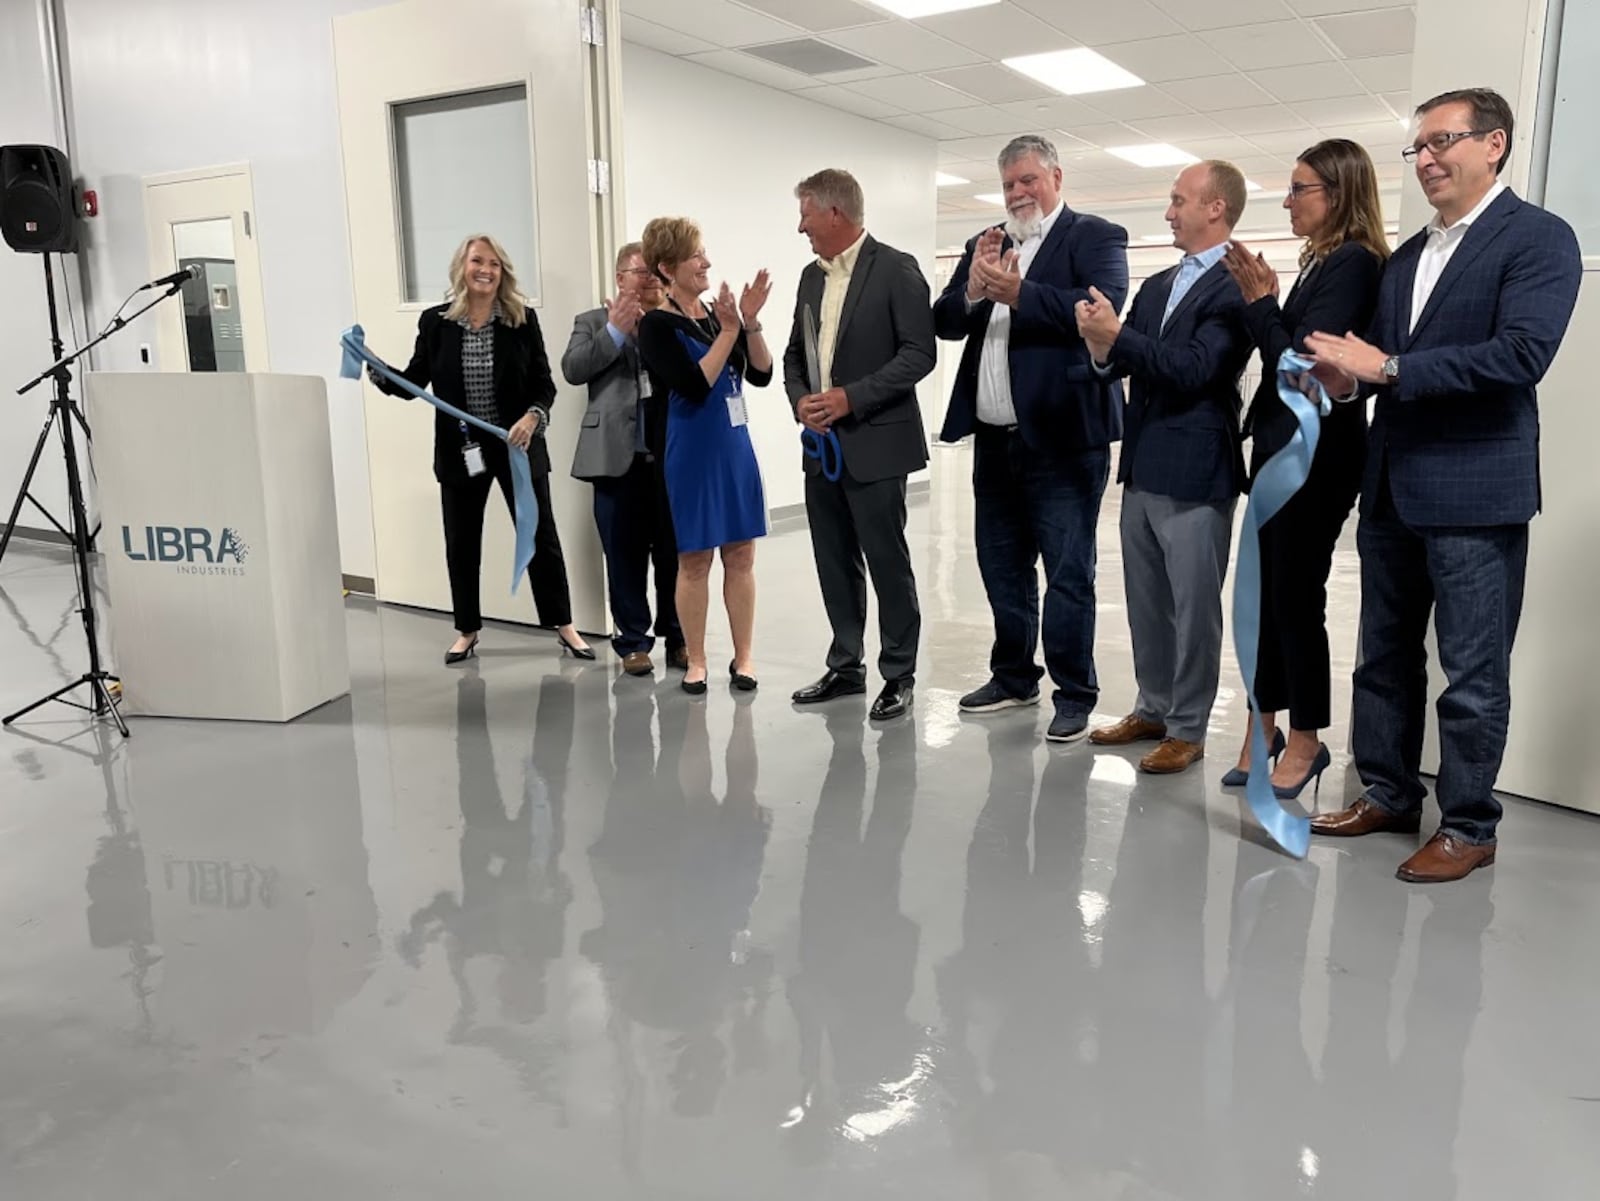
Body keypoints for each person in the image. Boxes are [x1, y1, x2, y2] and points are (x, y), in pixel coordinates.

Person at [1303, 88, 1582, 883]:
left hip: (1475, 493)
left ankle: (1469, 824)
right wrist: (1349, 380)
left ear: (1494, 145)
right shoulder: (1408, 258)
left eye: (1442, 142)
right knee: (1381, 659)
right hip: (1391, 486)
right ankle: (1388, 792)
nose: (1425, 160)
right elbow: (1383, 367)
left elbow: (1521, 356)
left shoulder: (1537, 239)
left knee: (1472, 672)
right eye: (1416, 148)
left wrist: (1385, 367)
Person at [932, 134, 1130, 744]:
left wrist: (1017, 292)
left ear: (1056, 179)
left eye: (1029, 181)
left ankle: (1075, 693)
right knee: (1001, 565)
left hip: (1065, 440)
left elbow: (1100, 306)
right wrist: (973, 284)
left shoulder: (1096, 237)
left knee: (1069, 573)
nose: (1018, 193)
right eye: (1009, 184)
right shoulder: (985, 244)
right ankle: (1014, 675)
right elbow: (943, 322)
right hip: (994, 440)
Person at [1218, 139, 1388, 796]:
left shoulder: (1354, 264)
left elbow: (1300, 368)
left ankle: (1308, 737)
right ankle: (1263, 724)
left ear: (1339, 193)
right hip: (1284, 448)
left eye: (1300, 189)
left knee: (1294, 596)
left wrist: (1264, 304)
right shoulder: (1324, 264)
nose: (1288, 201)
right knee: (1265, 594)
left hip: (1316, 454)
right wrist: (1269, 303)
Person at [1076, 160, 1253, 774]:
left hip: (1198, 470)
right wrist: (1102, 346)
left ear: (1216, 208)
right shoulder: (1159, 284)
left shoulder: (1236, 286)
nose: (1169, 212)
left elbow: (1196, 369)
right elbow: (1126, 363)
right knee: (1147, 600)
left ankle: (1187, 726)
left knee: (1193, 605)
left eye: (1179, 200)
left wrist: (1118, 336)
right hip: (1144, 465)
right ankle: (1153, 706)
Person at [371, 233, 593, 665]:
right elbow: (415, 382)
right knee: (462, 541)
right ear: (463, 266)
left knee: (540, 536)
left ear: (502, 271)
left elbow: (544, 386)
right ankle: (467, 630)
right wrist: (380, 373)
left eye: (493, 263)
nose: (485, 270)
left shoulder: (520, 319)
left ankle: (564, 626)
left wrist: (532, 418)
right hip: (462, 449)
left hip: (517, 447)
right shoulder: (436, 323)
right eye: (477, 261)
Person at [783, 169, 936, 722]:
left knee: (886, 562)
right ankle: (846, 664)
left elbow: (920, 354)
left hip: (877, 443)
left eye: (805, 214)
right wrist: (802, 400)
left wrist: (851, 399)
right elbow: (795, 356)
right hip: (821, 446)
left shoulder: (896, 269)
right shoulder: (809, 278)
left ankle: (899, 673)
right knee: (833, 559)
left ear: (834, 214)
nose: (800, 226)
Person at [636, 217, 773, 695]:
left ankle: (746, 657)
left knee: (741, 556)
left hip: (734, 447)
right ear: (668, 267)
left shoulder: (720, 316)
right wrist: (728, 332)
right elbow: (694, 384)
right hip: (690, 451)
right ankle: (696, 660)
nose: (707, 262)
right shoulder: (655, 325)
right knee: (693, 561)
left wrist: (748, 324)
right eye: (696, 256)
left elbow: (760, 374)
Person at [563, 241, 687, 677]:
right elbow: (573, 369)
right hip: (616, 460)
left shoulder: (672, 321)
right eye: (640, 272)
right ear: (619, 278)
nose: (650, 279)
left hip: (670, 459)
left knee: (674, 555)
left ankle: (678, 637)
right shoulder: (592, 322)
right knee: (623, 554)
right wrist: (615, 331)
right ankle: (633, 642)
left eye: (656, 272)